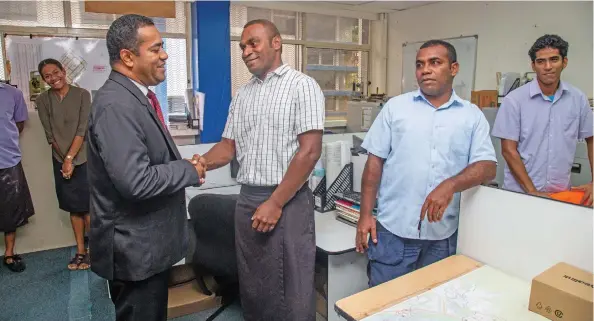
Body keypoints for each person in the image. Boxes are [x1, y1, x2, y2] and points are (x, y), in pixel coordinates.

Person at [197, 19, 325, 320]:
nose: (246, 51)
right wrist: (200, 162)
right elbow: (228, 148)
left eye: (253, 43)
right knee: (255, 283)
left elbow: (309, 152)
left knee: (292, 288)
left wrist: (276, 202)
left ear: (276, 43)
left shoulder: (302, 86)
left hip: (287, 199)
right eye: (242, 46)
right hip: (248, 200)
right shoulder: (243, 95)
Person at [87, 14, 205, 321]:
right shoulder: (116, 105)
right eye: (155, 49)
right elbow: (135, 181)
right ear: (127, 57)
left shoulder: (136, 97)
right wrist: (189, 170)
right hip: (134, 249)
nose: (164, 54)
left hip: (145, 246)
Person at [356, 40, 497, 287]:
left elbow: (487, 166)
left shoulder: (471, 115)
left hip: (442, 236)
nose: (425, 70)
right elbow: (374, 163)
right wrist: (365, 215)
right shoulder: (395, 108)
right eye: (420, 64)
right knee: (384, 307)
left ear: (454, 68)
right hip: (393, 232)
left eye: (435, 62)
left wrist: (451, 185)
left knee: (432, 305)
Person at [492, 34, 593, 206]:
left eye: (554, 59)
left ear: (564, 62)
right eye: (541, 61)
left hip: (560, 195)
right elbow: (509, 151)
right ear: (533, 65)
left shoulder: (578, 99)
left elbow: (591, 139)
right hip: (519, 196)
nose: (548, 67)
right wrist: (533, 192)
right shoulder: (514, 100)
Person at [37, 58, 92, 270]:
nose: (53, 78)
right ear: (43, 80)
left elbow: (82, 130)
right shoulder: (42, 100)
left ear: (63, 71)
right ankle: (80, 251)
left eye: (55, 72)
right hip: (60, 161)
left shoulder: (82, 95)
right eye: (47, 76)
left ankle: (94, 252)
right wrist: (64, 161)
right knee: (73, 208)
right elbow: (50, 136)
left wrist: (70, 158)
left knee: (88, 208)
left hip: (84, 159)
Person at [0, 83, 35, 273]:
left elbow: (19, 124)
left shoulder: (13, 93)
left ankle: (9, 254)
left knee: (11, 210)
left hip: (8, 160)